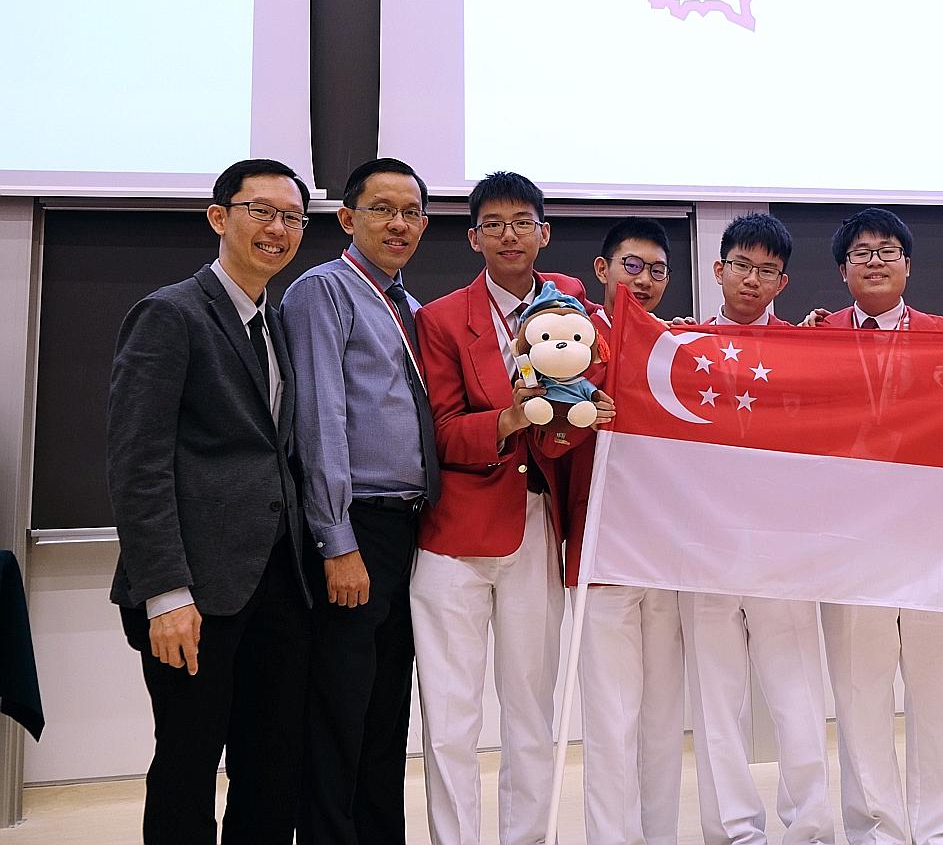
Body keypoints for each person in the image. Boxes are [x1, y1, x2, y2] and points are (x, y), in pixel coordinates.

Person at [108, 158, 312, 845]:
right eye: (261, 211)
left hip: (278, 587)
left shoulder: (277, 321)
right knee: (188, 767)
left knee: (272, 766)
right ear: (220, 217)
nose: (277, 229)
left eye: (291, 217)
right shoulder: (170, 314)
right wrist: (164, 590)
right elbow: (136, 463)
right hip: (193, 593)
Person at [411, 171, 611, 845]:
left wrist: (587, 417)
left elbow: (578, 405)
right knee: (452, 717)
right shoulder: (439, 318)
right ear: (473, 238)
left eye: (522, 222)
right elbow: (439, 433)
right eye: (493, 224)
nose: (509, 235)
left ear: (544, 233)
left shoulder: (573, 303)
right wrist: (505, 419)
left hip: (534, 526)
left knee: (532, 712)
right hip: (453, 538)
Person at [804, 207, 943, 845]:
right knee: (859, 692)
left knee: (937, 691)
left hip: (930, 540)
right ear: (844, 270)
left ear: (907, 264)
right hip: (849, 543)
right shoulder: (813, 341)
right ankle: (875, 829)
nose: (875, 260)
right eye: (862, 253)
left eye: (888, 250)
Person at [282, 158, 438, 845]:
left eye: (410, 212)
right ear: (348, 219)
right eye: (382, 209)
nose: (397, 223)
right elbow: (318, 421)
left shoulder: (407, 305)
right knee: (338, 717)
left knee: (383, 718)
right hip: (356, 529)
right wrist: (336, 541)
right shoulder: (324, 291)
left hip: (409, 530)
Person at [676, 213, 837, 845]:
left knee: (796, 696)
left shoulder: (808, 350)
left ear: (783, 281)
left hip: (784, 551)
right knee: (718, 705)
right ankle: (733, 832)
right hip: (705, 548)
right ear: (718, 270)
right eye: (741, 265)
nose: (752, 279)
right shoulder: (679, 347)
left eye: (766, 270)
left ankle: (810, 828)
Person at [569, 216, 689, 845]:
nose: (643, 281)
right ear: (603, 269)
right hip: (602, 556)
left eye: (658, 270)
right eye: (632, 266)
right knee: (611, 719)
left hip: (667, 558)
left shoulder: (678, 347)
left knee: (664, 719)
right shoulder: (569, 338)